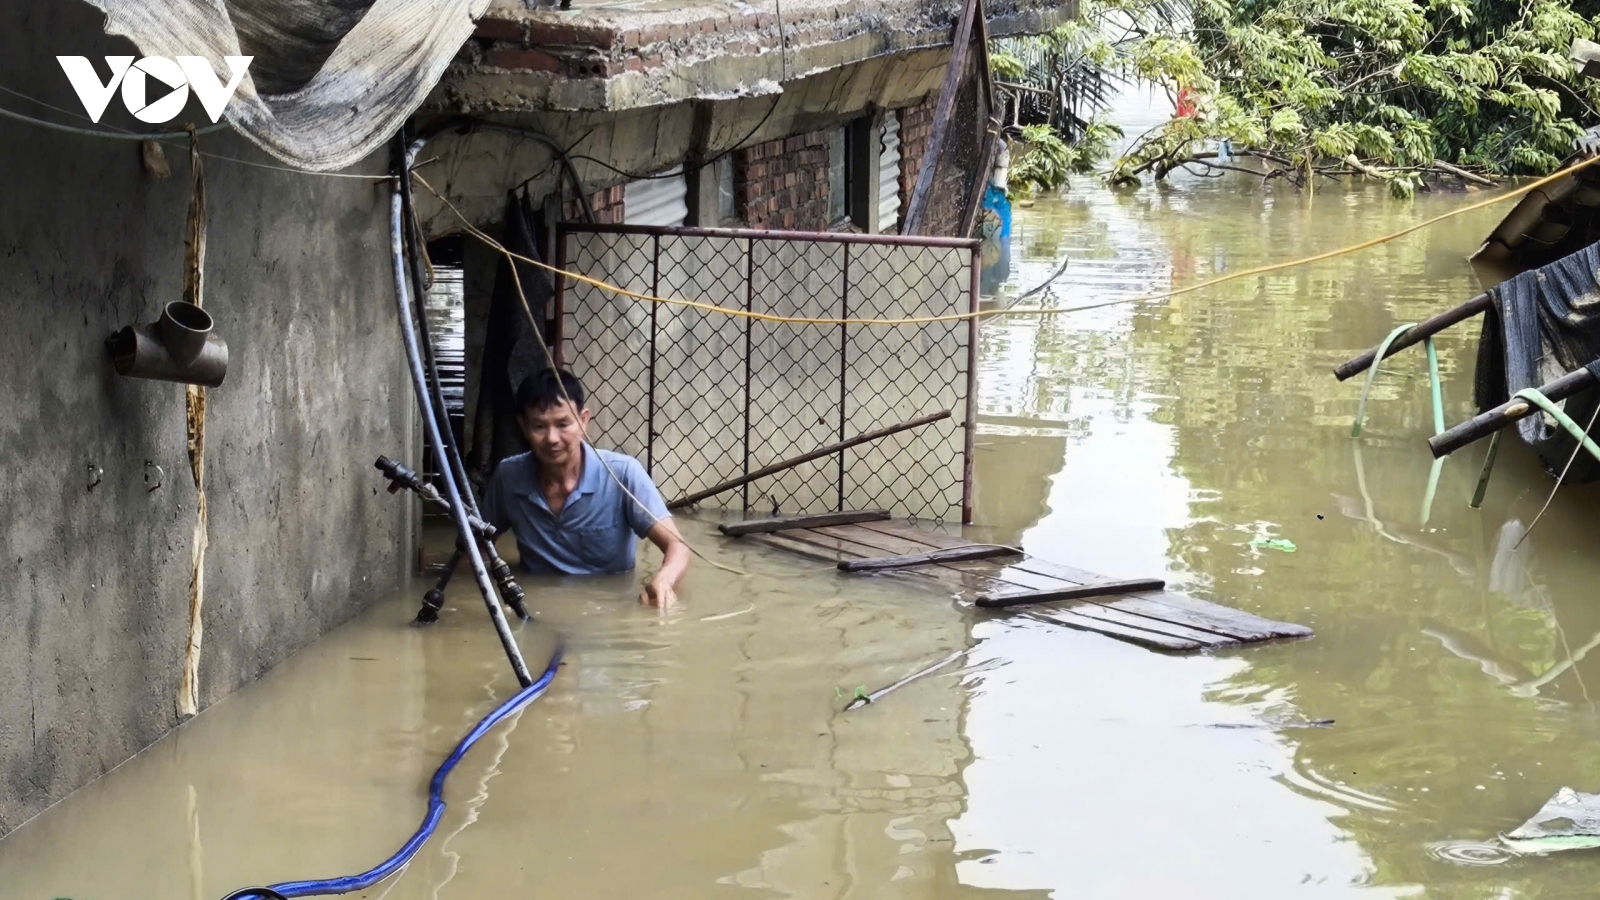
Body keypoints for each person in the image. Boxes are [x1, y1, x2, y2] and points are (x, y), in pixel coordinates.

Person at [481, 368, 690, 606]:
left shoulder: (623, 474)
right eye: (539, 426)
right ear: (523, 426)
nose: (552, 438)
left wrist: (664, 581)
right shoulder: (508, 477)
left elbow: (678, 546)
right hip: (535, 606)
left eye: (563, 424)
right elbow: (480, 547)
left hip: (610, 611)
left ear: (583, 421)